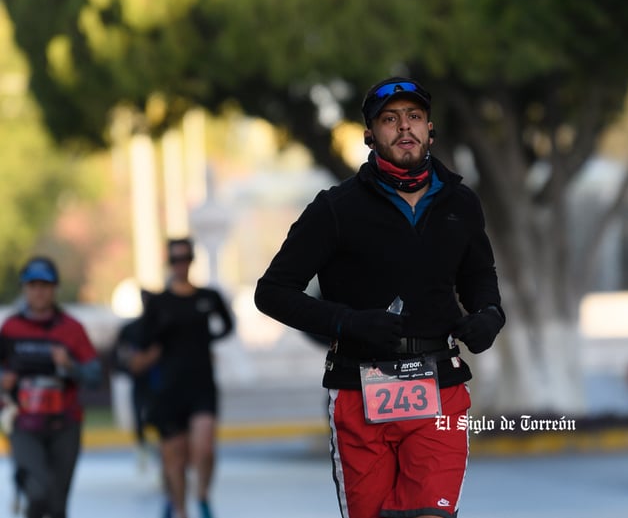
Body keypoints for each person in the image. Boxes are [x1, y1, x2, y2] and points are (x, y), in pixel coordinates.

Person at [254, 76, 505, 518]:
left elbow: (480, 276)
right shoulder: (335, 208)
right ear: (370, 134)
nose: (403, 128)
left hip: (440, 387)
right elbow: (271, 293)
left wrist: (489, 314)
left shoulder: (460, 203)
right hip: (357, 389)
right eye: (389, 120)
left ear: (430, 129)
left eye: (414, 117)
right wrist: (347, 322)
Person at [134, 238, 234, 518]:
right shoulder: (158, 302)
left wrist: (206, 340)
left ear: (192, 260)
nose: (181, 264)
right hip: (169, 386)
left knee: (205, 449)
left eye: (185, 258)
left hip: (202, 383)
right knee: (174, 458)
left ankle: (201, 494)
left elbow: (227, 326)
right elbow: (143, 341)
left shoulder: (208, 297)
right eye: (175, 259)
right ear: (169, 263)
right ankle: (179, 509)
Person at [0, 256, 102, 518]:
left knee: (57, 505)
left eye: (44, 285)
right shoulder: (10, 328)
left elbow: (94, 374)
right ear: (24, 288)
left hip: (64, 424)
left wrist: (70, 366)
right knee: (38, 492)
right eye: (33, 285)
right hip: (24, 423)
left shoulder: (72, 329)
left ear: (54, 288)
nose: (39, 292)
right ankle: (23, 483)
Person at [111, 289, 160, 470]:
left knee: (161, 423)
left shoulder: (162, 327)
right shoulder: (130, 329)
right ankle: (144, 450)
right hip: (140, 381)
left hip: (160, 382)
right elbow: (117, 356)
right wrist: (131, 365)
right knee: (139, 419)